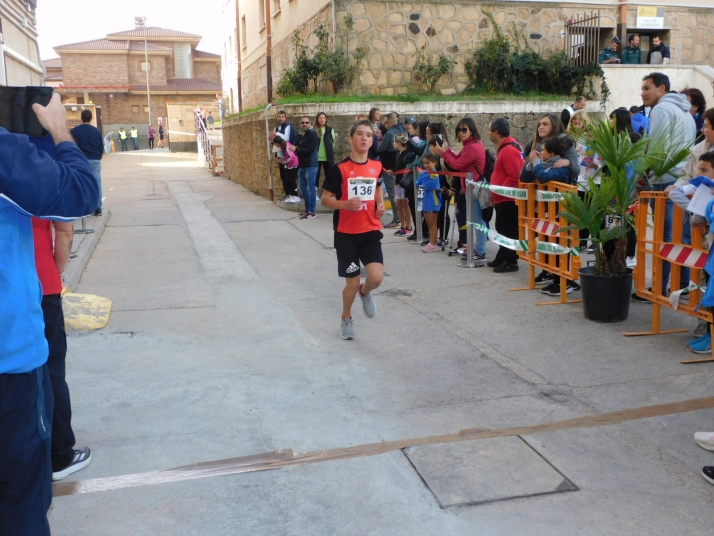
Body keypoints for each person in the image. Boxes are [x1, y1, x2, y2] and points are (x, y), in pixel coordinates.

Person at [0, 92, 99, 536]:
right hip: (10, 363)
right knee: (21, 499)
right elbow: (80, 194)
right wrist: (59, 130)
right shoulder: (6, 151)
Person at [32, 216, 93, 483]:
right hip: (41, 284)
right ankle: (59, 455)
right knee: (51, 370)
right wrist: (55, 272)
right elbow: (65, 233)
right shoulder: (44, 174)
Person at [632, 72, 697, 302]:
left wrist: (643, 173)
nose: (643, 93)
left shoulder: (661, 109)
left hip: (664, 179)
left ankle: (659, 287)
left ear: (662, 88)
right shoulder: (686, 111)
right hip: (682, 180)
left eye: (647, 88)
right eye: (642, 89)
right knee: (680, 236)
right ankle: (680, 285)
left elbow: (655, 149)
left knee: (663, 235)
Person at [321, 119, 385, 340]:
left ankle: (365, 292)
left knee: (376, 278)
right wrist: (344, 205)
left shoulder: (377, 166)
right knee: (352, 281)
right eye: (360, 134)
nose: (364, 138)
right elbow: (325, 199)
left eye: (369, 134)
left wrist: (380, 204)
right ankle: (346, 317)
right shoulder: (339, 169)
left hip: (370, 231)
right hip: (346, 234)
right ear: (351, 138)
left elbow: (377, 186)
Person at [669, 152, 714, 347]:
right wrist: (698, 211)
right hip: (711, 251)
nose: (700, 173)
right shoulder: (704, 187)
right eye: (699, 169)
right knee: (709, 290)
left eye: (705, 170)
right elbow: (674, 193)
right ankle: (710, 334)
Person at [430, 118, 487, 261]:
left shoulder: (473, 147)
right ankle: (478, 248)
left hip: (474, 188)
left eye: (464, 130)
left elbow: (457, 164)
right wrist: (447, 150)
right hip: (470, 187)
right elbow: (457, 160)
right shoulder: (469, 145)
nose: (461, 133)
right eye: (459, 130)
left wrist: (444, 153)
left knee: (477, 220)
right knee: (476, 220)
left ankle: (480, 251)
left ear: (472, 130)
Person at [486, 118, 525, 273]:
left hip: (508, 198)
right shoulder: (506, 147)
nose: (488, 134)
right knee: (501, 228)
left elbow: (514, 175)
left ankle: (511, 260)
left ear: (496, 132)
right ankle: (503, 255)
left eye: (489, 131)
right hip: (502, 197)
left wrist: (501, 190)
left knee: (509, 230)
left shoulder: (508, 150)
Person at [71, 109, 104, 216]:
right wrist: (98, 156)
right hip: (94, 160)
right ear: (91, 118)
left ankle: (83, 207)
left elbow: (71, 146)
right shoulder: (97, 131)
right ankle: (98, 207)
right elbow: (101, 146)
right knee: (97, 183)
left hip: (81, 161)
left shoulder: (75, 131)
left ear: (81, 118)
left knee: (81, 184)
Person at [377, 112, 406, 228]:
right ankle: (403, 219)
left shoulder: (389, 134)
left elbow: (380, 149)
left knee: (392, 193)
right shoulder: (403, 131)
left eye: (385, 122)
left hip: (389, 168)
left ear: (389, 122)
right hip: (401, 166)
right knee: (401, 194)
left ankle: (397, 218)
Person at [289, 116, 320, 220]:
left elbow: (310, 150)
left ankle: (312, 211)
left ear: (310, 123)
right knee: (303, 188)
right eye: (302, 122)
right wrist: (295, 149)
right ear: (300, 124)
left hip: (311, 165)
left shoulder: (313, 134)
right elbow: (296, 146)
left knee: (310, 189)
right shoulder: (300, 134)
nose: (304, 124)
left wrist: (296, 149)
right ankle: (307, 209)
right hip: (302, 166)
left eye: (306, 122)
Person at [416, 153, 443, 252]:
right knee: (428, 223)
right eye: (424, 163)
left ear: (435, 163)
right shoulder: (426, 173)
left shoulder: (434, 174)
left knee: (432, 224)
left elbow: (427, 186)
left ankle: (433, 243)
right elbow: (417, 184)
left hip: (432, 201)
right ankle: (431, 241)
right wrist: (423, 177)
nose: (426, 165)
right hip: (424, 200)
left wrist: (423, 177)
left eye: (428, 162)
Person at [392, 134, 414, 237]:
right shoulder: (398, 154)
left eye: (394, 142)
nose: (393, 144)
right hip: (398, 182)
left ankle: (409, 227)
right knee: (399, 204)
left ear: (399, 143)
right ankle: (403, 226)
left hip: (404, 183)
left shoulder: (407, 154)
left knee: (405, 204)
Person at [273, 111, 296, 204]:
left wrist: (277, 134)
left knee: (289, 176)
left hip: (289, 156)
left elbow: (286, 139)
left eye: (282, 117)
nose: (281, 118)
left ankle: (292, 194)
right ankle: (286, 193)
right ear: (277, 117)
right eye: (279, 117)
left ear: (285, 117)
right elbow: (275, 141)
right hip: (280, 155)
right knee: (283, 176)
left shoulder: (288, 127)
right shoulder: (276, 127)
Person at [272, 135, 300, 203]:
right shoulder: (282, 147)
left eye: (275, 144)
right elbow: (287, 157)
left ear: (277, 143)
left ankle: (295, 195)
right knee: (288, 179)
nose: (275, 146)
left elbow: (292, 157)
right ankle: (291, 195)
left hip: (294, 164)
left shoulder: (287, 146)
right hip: (290, 164)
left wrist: (286, 161)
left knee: (292, 180)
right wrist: (282, 159)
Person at [315, 112, 335, 194]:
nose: (322, 119)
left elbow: (333, 142)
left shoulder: (330, 130)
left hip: (327, 157)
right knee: (315, 176)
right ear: (317, 119)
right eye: (320, 118)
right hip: (316, 157)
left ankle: (330, 193)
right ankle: (315, 193)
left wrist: (329, 150)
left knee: (329, 176)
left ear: (326, 119)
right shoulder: (314, 130)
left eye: (323, 118)